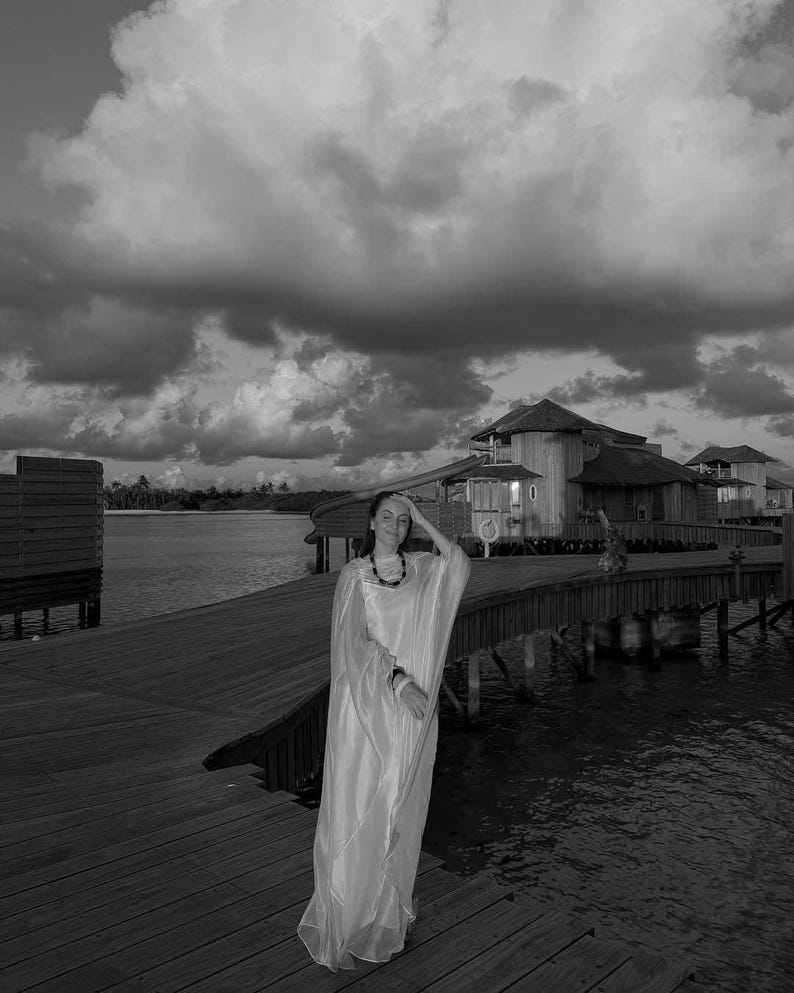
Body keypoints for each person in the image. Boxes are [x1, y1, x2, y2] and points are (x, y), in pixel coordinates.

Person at [297, 490, 471, 971]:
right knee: (364, 806)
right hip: (370, 709)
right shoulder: (354, 577)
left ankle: (389, 913)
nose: (396, 524)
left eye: (403, 518)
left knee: (402, 810)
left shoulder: (421, 568)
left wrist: (423, 517)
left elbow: (459, 566)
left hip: (412, 714)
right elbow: (353, 644)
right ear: (371, 524)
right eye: (388, 517)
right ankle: (353, 913)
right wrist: (400, 682)